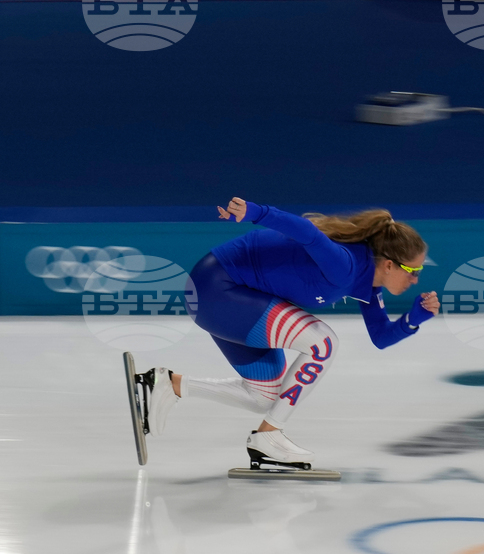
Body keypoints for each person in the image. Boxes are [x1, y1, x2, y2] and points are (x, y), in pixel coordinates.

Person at [140, 197, 439, 467]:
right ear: (389, 264)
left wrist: (414, 319)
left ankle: (168, 384)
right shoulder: (346, 265)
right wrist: (255, 212)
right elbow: (307, 232)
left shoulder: (367, 284)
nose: (416, 279)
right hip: (216, 288)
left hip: (227, 297)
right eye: (414, 271)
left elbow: (381, 336)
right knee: (323, 343)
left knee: (265, 396)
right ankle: (268, 437)